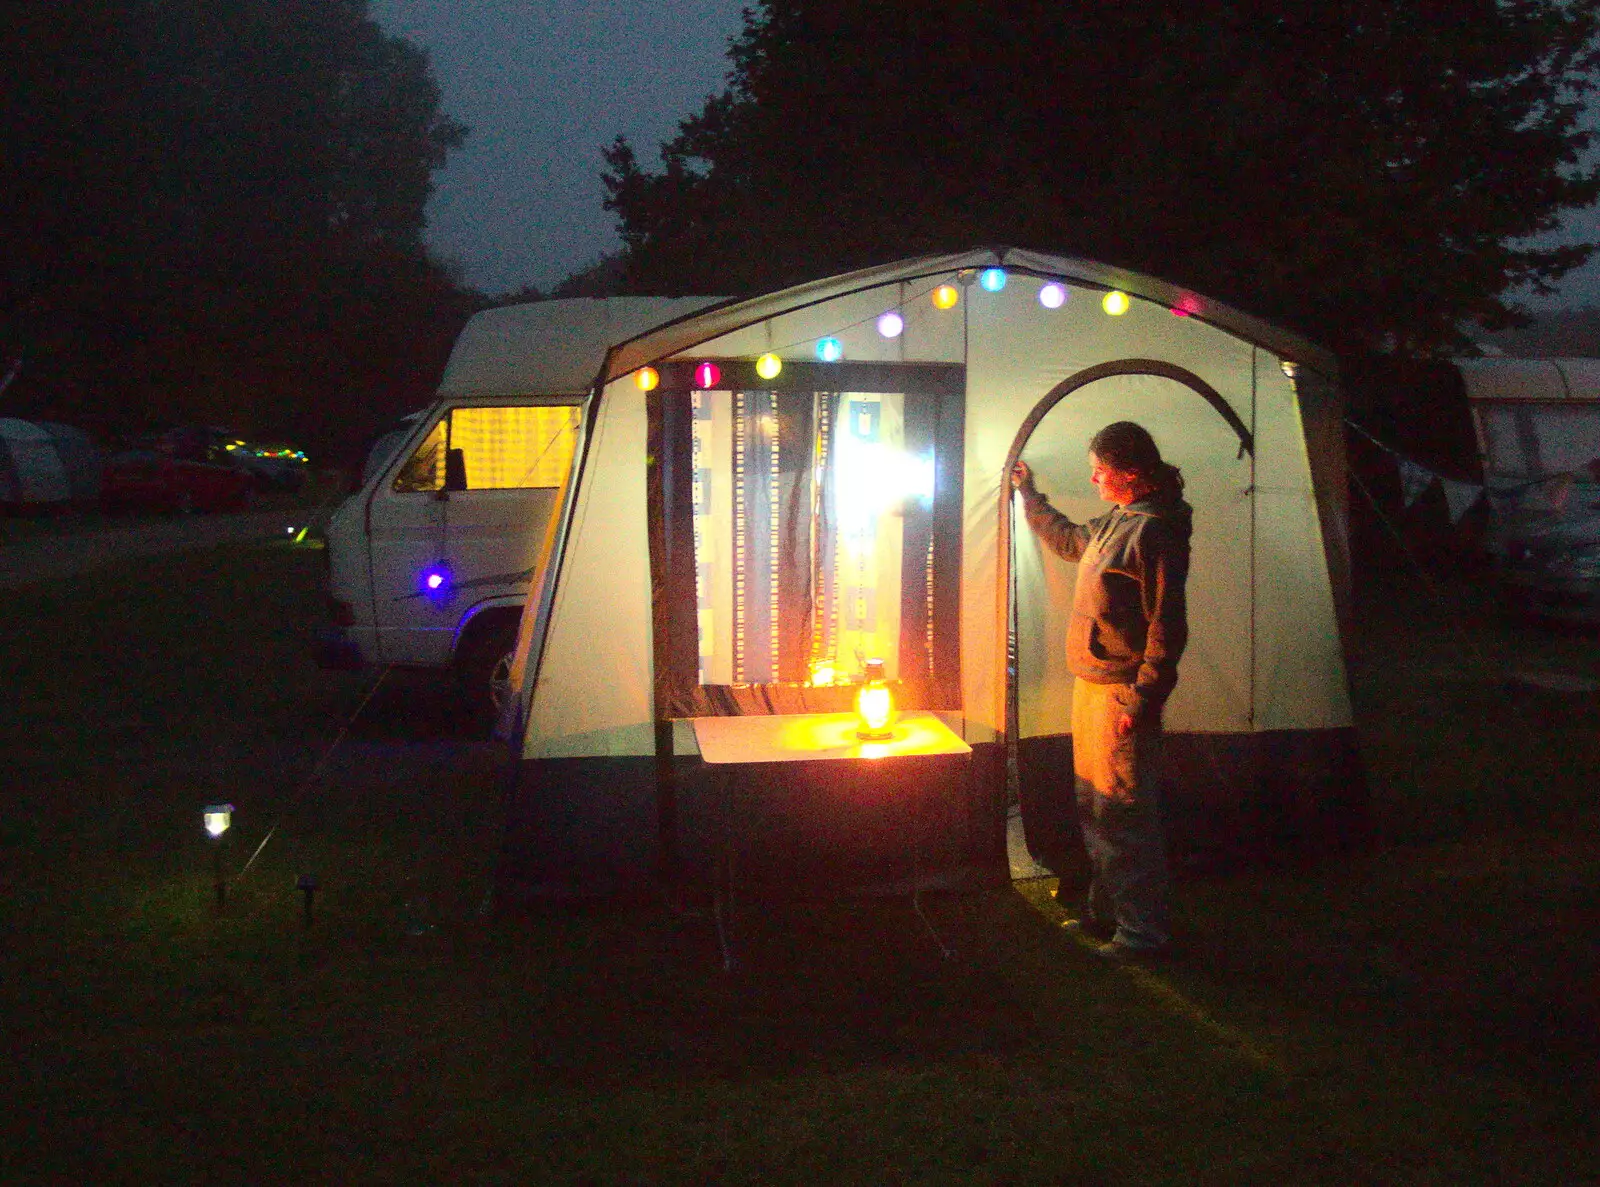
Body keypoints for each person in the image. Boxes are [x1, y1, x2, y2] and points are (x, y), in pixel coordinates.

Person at [1011, 421, 1191, 959]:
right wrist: (1028, 493)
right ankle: (1104, 916)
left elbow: (1167, 625)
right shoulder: (1121, 519)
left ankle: (1142, 935)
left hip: (1121, 693)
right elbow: (1070, 540)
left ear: (1130, 473)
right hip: (1092, 684)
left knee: (1123, 812)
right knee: (1095, 805)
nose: (1093, 477)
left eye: (1100, 469)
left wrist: (1143, 698)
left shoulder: (1155, 530)